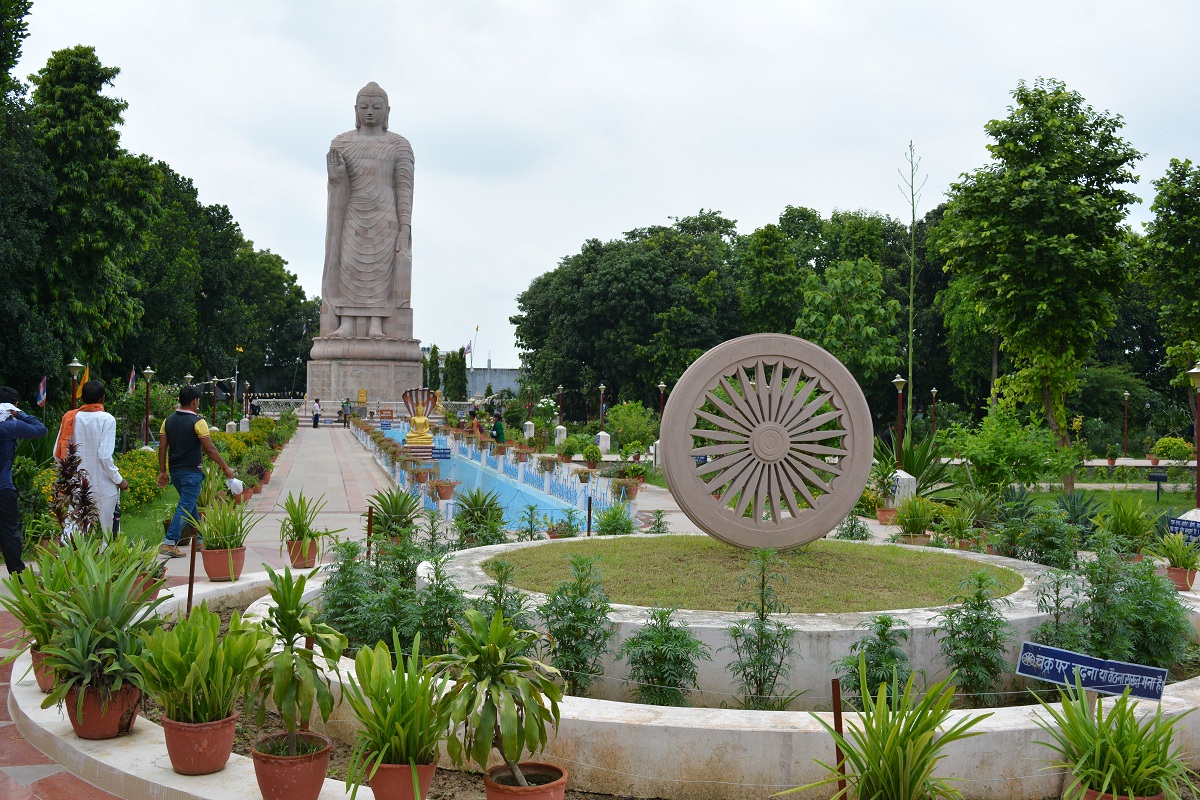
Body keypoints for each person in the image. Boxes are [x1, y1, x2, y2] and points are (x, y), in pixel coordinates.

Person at [157, 385, 237, 558]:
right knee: (185, 506)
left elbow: (162, 448)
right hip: (192, 473)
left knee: (190, 504)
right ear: (195, 401)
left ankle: (200, 539)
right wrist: (225, 467)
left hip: (176, 473)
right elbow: (210, 449)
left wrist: (163, 471)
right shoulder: (198, 422)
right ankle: (170, 542)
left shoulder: (167, 421)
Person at [53, 380, 128, 536]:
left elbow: (57, 453)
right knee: (107, 533)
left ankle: (67, 559)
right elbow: (104, 456)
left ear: (82, 399)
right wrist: (119, 480)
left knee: (73, 529)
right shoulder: (107, 419)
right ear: (102, 399)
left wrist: (69, 478)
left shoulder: (70, 418)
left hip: (77, 484)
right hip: (103, 485)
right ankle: (108, 558)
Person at [0, 386, 48, 573]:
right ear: (15, 405)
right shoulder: (10, 425)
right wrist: (20, 414)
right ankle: (18, 575)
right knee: (9, 531)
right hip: (3, 488)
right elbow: (40, 429)